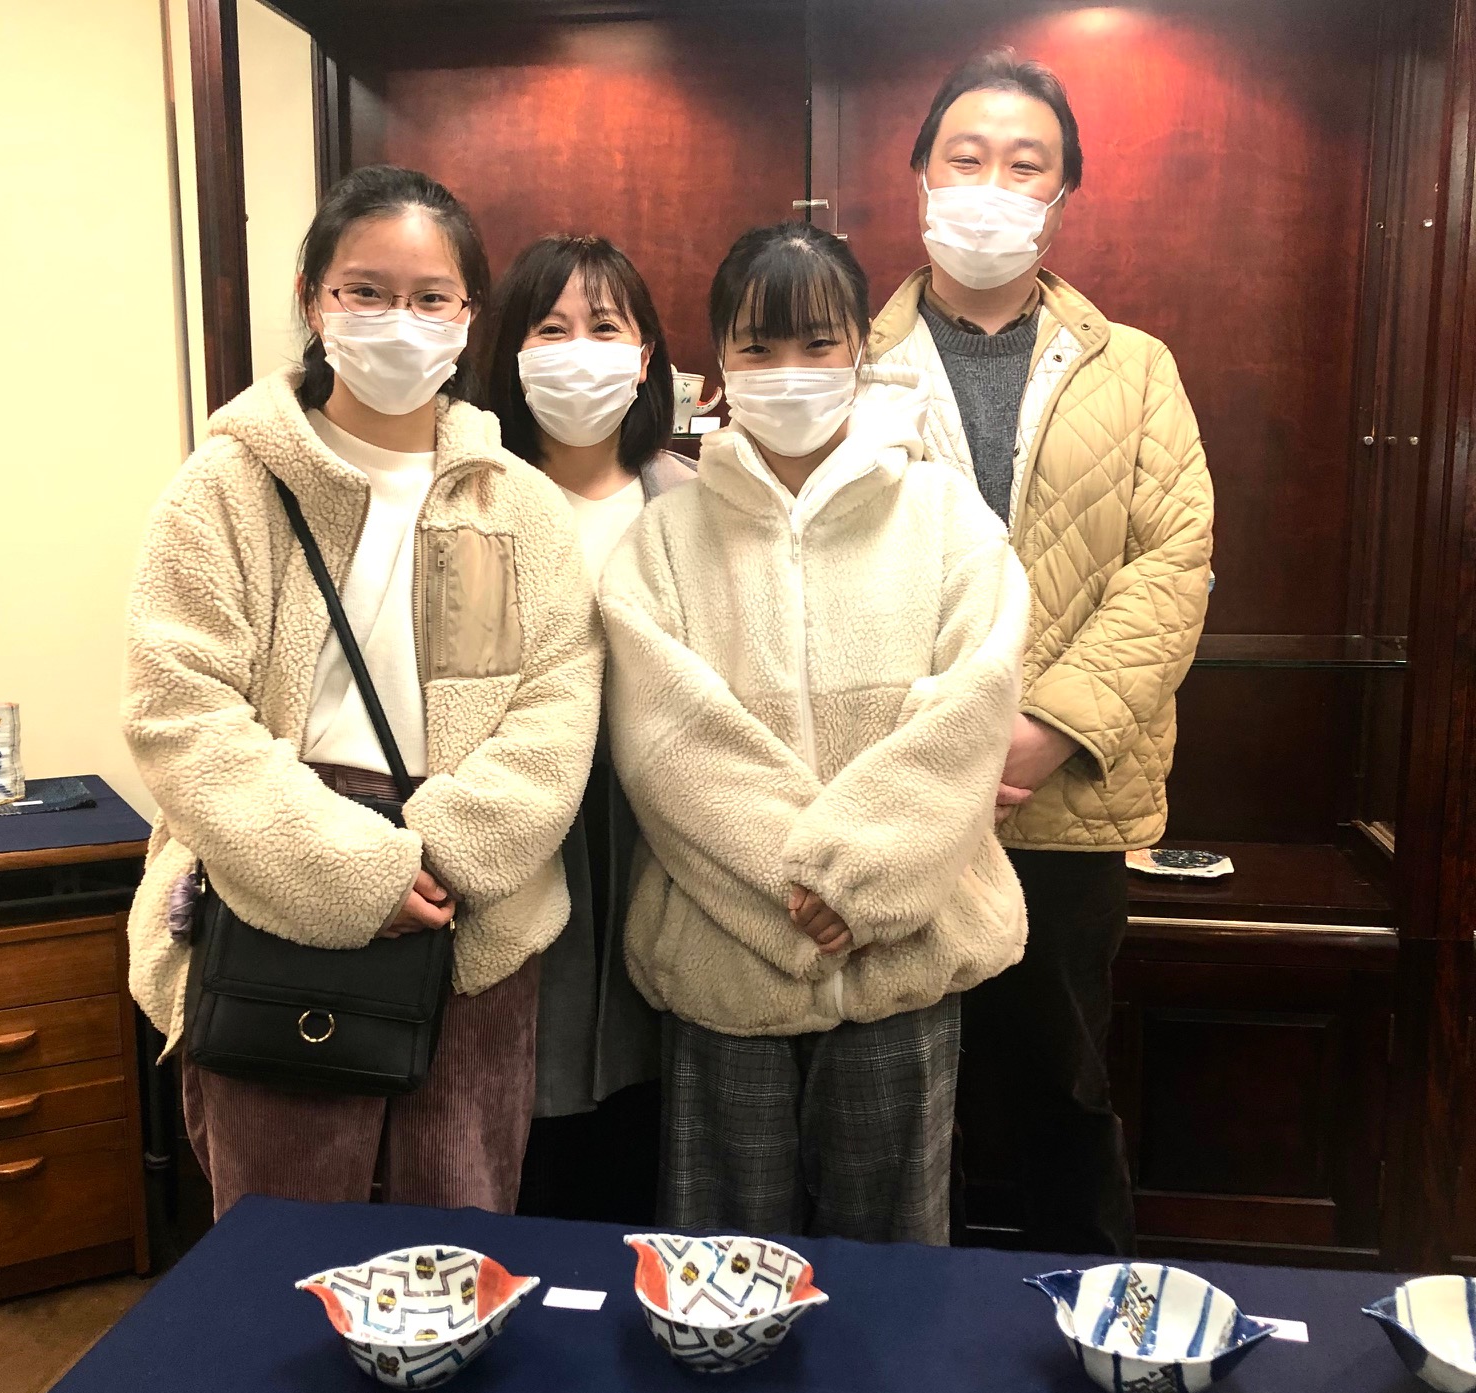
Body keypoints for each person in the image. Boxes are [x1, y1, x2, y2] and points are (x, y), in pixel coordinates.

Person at [123, 166, 602, 1220]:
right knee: (284, 1248)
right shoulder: (226, 488)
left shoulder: (518, 506)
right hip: (276, 886)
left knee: (459, 1235)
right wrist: (347, 872)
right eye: (366, 291)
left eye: (431, 297)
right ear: (313, 298)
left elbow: (556, 708)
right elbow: (180, 710)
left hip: (471, 913)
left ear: (469, 315)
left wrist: (443, 856)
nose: (400, 320)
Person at [600, 221, 1030, 1244]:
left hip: (901, 955)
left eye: (818, 342)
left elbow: (972, 709)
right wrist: (795, 884)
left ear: (860, 350)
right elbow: (663, 741)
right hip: (726, 960)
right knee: (722, 1262)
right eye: (758, 346)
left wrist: (858, 882)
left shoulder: (947, 517)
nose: (789, 369)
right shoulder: (666, 534)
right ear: (718, 361)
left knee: (892, 1267)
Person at [864, 49, 1214, 1254]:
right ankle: (910, 1343)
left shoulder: (1137, 369)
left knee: (1064, 1095)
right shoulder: (845, 363)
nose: (991, 185)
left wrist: (1045, 728)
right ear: (919, 174)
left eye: (1027, 165)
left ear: (1065, 194)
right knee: (899, 1108)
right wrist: (941, 745)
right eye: (965, 157)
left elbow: (1172, 567)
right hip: (894, 797)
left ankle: (1096, 1331)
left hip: (1065, 805)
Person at [479, 233, 694, 1221]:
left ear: (645, 356)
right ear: (511, 353)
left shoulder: (693, 500)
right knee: (533, 1108)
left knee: (650, 1108)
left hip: (665, 833)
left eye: (605, 328)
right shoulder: (473, 497)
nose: (579, 351)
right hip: (523, 830)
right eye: (550, 328)